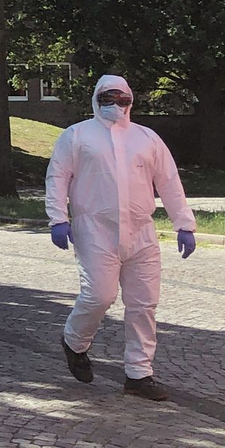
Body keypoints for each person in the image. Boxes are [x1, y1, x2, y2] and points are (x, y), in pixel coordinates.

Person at [45, 74, 196, 402]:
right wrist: (58, 217)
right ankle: (74, 342)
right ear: (96, 99)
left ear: (131, 101)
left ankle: (139, 374)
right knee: (99, 296)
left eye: (123, 99)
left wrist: (184, 223)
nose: (116, 105)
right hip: (95, 229)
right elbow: (58, 176)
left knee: (144, 304)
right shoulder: (77, 136)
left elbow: (168, 181)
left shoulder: (147, 138)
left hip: (141, 232)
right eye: (108, 98)